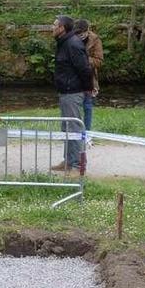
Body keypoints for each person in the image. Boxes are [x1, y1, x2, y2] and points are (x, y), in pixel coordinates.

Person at [51, 15, 92, 173]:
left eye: (55, 25)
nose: (52, 28)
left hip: (73, 92)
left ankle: (77, 165)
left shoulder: (73, 44)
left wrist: (87, 90)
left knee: (74, 129)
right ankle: (68, 161)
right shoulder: (63, 43)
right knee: (67, 128)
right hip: (65, 91)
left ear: (62, 28)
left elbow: (84, 69)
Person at [74, 19, 103, 137]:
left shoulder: (95, 39)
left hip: (89, 78)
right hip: (74, 77)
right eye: (78, 33)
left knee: (87, 106)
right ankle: (73, 133)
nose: (80, 35)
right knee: (74, 106)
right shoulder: (71, 38)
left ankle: (87, 134)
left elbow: (99, 61)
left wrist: (84, 60)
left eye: (82, 33)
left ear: (88, 31)